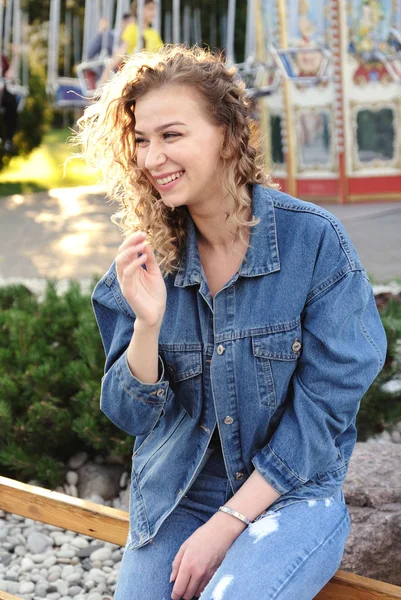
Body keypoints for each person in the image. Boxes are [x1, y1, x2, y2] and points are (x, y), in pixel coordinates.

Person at [77, 45, 387, 599]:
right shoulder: (148, 260)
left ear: (226, 133)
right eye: (142, 141)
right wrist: (147, 326)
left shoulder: (312, 244)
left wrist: (227, 525)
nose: (151, 159)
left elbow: (325, 413)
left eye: (171, 136)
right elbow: (127, 414)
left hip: (293, 490)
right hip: (181, 490)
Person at [0, 53, 18, 153]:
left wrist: (16, 56)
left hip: (3, 91)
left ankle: (9, 139)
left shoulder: (3, 59)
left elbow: (9, 75)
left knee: (12, 102)